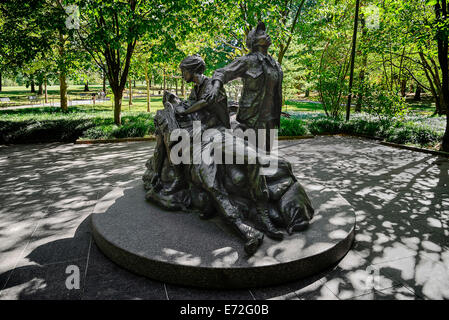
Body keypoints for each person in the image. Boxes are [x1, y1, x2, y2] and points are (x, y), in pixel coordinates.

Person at [205, 21, 283, 152]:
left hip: (271, 117)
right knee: (253, 158)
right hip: (252, 117)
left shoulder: (275, 64)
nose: (267, 35)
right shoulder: (248, 61)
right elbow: (222, 72)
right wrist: (215, 88)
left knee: (268, 157)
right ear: (254, 41)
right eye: (262, 34)